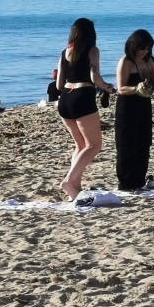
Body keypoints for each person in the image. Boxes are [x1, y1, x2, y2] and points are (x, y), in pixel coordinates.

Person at [56, 18, 114, 200]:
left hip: (65, 99)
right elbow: (95, 77)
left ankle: (75, 189)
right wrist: (108, 87)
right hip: (82, 97)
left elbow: (58, 84)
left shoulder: (65, 52)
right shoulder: (92, 50)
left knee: (80, 145)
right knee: (94, 145)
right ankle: (68, 181)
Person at [115, 29, 154, 191]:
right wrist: (136, 89)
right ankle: (126, 181)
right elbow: (120, 88)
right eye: (142, 48)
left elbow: (153, 87)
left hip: (144, 105)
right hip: (127, 106)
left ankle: (140, 179)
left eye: (148, 48)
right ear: (134, 45)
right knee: (127, 142)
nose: (144, 52)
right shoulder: (125, 61)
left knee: (144, 141)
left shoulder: (149, 61)